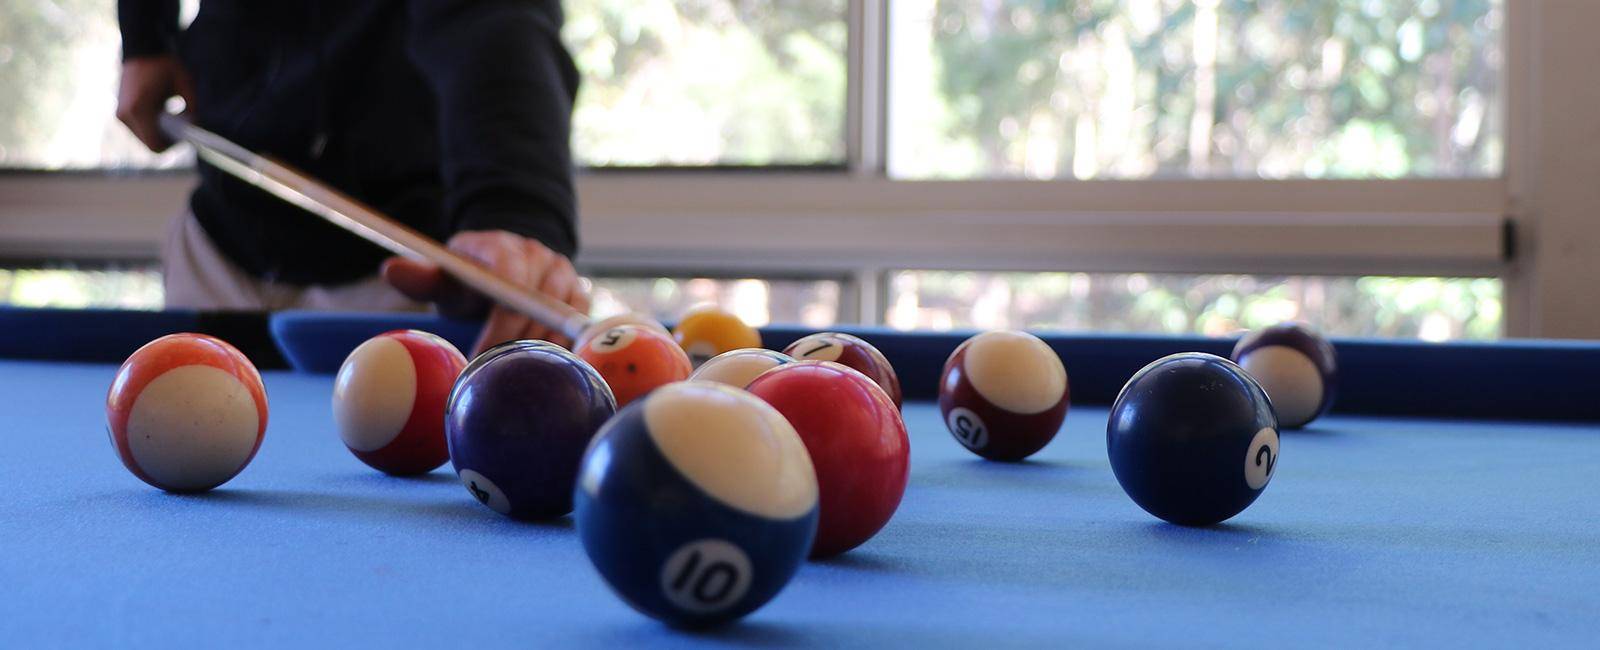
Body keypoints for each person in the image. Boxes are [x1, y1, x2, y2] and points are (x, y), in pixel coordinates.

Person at [116, 0, 588, 354]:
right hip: (220, 238)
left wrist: (515, 215)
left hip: (402, 273)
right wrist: (144, 36)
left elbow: (495, 20)